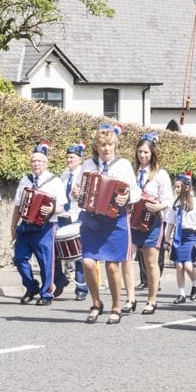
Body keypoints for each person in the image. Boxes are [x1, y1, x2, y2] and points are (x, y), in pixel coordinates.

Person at [76, 123, 140, 325]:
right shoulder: (88, 165)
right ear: (97, 146)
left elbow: (136, 192)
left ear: (115, 145)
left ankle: (116, 306)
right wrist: (75, 193)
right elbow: (77, 190)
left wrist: (126, 197)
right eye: (102, 144)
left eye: (110, 144)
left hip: (115, 220)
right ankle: (96, 303)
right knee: (87, 262)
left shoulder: (123, 165)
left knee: (113, 267)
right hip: (92, 220)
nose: (106, 148)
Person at [11, 142, 66, 307]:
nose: (36, 164)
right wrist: (13, 227)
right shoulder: (25, 180)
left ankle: (46, 293)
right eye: (33, 161)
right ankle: (31, 286)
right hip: (25, 226)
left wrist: (50, 209)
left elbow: (62, 206)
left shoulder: (54, 181)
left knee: (45, 263)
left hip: (45, 227)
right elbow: (17, 206)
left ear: (46, 163)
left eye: (40, 161)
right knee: (19, 259)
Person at [130, 133, 173, 314]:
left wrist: (157, 206)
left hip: (152, 222)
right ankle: (131, 298)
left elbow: (168, 200)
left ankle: (152, 299)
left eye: (146, 152)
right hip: (132, 221)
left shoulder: (160, 174)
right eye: (140, 152)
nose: (143, 156)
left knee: (151, 262)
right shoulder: (131, 173)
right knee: (127, 259)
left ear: (152, 153)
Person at [164, 172, 196, 304]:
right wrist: (167, 240)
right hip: (178, 236)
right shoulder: (175, 204)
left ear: (186, 187)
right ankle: (181, 293)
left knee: (188, 266)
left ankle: (195, 284)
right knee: (179, 266)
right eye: (175, 187)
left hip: (191, 236)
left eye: (179, 186)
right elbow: (170, 223)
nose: (177, 189)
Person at [57, 143, 88, 301]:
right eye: (68, 157)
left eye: (72, 157)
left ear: (80, 159)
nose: (69, 160)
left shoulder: (83, 175)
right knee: (57, 251)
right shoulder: (63, 175)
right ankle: (60, 280)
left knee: (79, 255)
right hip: (63, 216)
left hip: (77, 217)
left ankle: (81, 288)